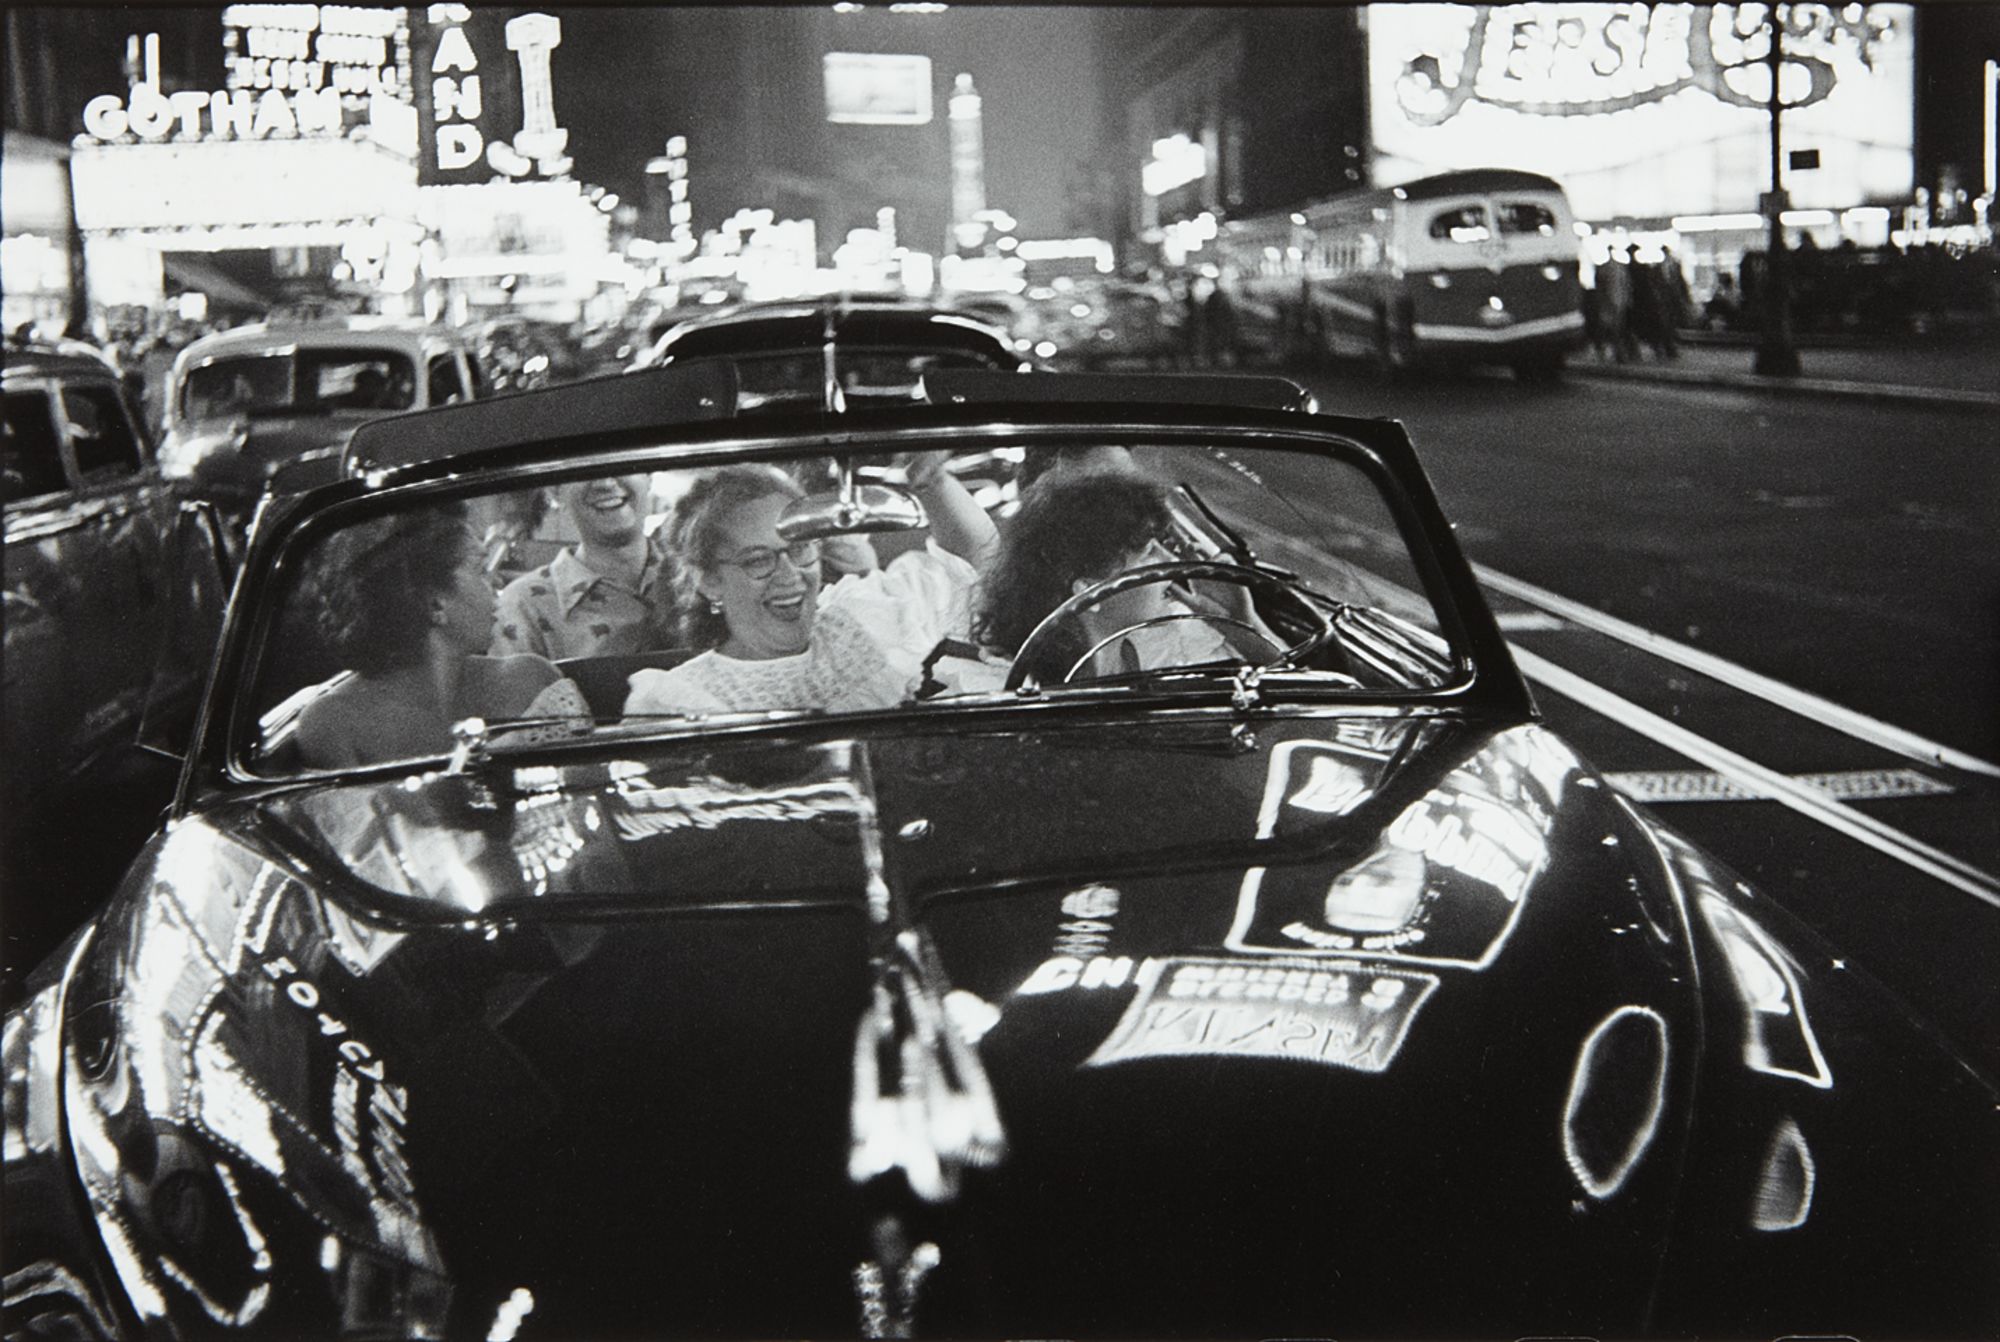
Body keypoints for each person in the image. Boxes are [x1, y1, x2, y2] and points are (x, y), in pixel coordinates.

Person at [623, 453, 998, 716]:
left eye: (800, 548)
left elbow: (973, 564)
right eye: (758, 560)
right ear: (709, 582)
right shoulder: (677, 699)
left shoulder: (860, 619)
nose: (790, 575)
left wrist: (932, 479)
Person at [297, 505, 588, 768]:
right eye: (480, 570)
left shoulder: (532, 682)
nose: (497, 581)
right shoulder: (332, 722)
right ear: (436, 604)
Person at [976, 469, 1282, 684]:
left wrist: (1240, 622)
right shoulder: (1014, 685)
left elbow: (1292, 686)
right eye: (1148, 554)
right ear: (1089, 591)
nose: (1171, 561)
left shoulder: (1163, 641)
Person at [492, 473, 683, 660]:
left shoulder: (694, 577)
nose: (606, 483)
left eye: (620, 465)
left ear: (648, 477)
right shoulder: (522, 605)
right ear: (555, 491)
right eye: (585, 471)